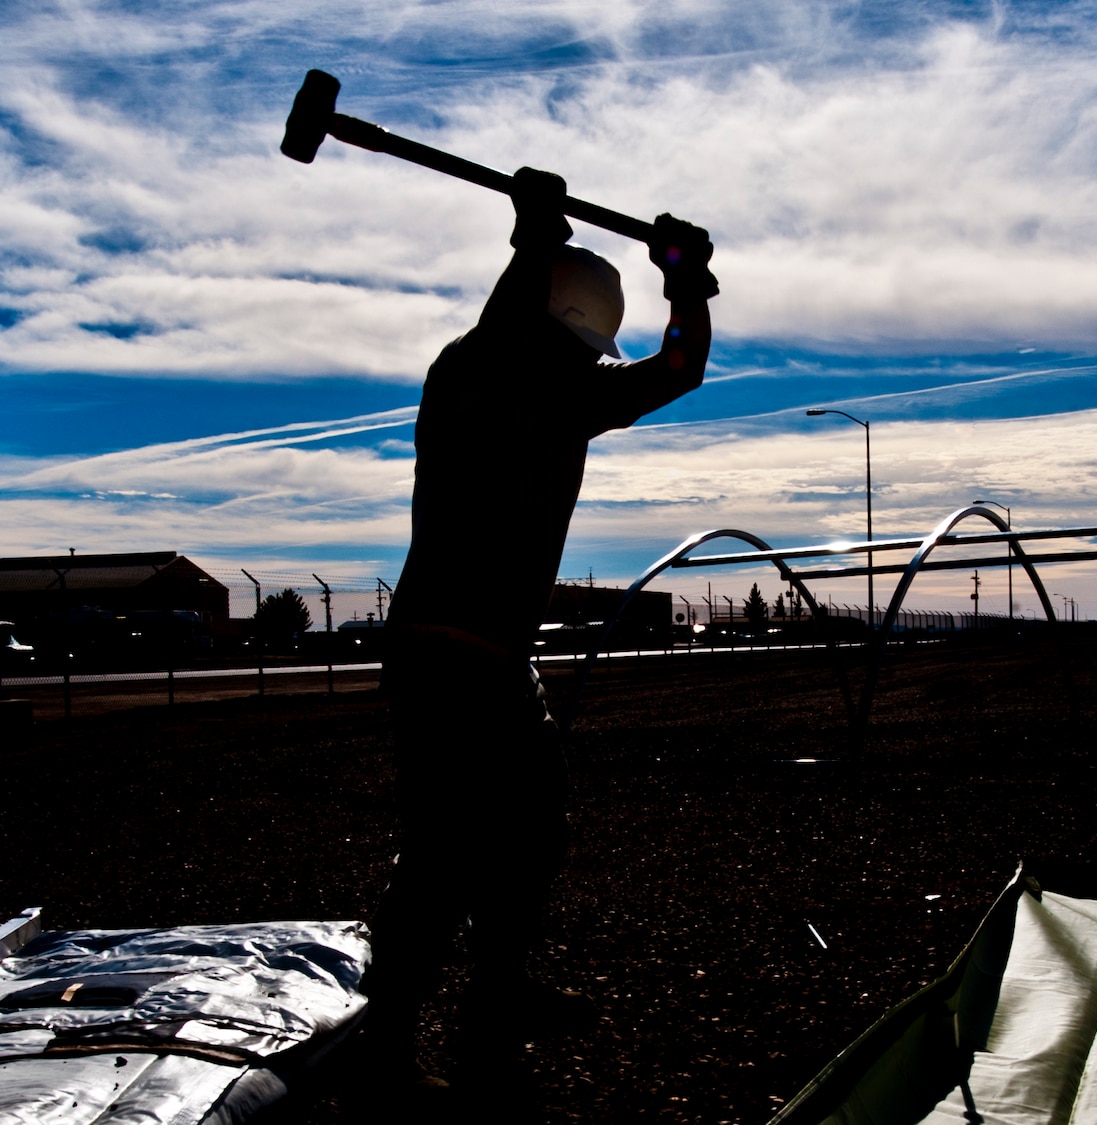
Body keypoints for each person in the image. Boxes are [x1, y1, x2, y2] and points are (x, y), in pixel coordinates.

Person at [357, 167, 716, 1102]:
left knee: (532, 828)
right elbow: (500, 339)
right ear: (552, 327)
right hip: (441, 647)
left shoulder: (568, 398)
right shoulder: (469, 377)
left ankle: (496, 995)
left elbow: (679, 369)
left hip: (498, 656)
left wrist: (686, 285)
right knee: (441, 851)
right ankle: (386, 1048)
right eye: (576, 344)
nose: (588, 363)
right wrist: (534, 245)